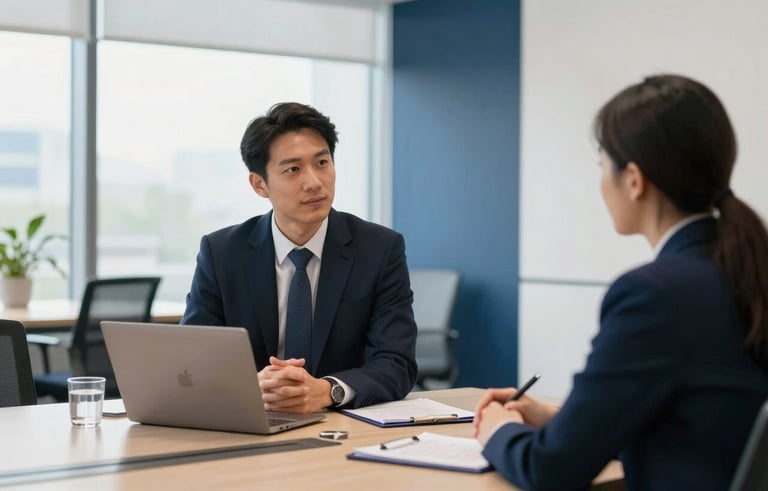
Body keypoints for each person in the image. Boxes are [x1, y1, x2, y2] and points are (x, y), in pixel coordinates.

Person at [474, 75, 768, 490]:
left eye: (602, 167)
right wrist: (558, 420)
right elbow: (700, 428)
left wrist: (497, 430)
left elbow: (549, 470)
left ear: (633, 179)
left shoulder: (656, 294)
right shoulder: (744, 269)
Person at [181, 102, 417, 414]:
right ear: (259, 184)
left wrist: (328, 390)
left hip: (341, 427)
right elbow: (193, 361)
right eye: (293, 169)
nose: (314, 181)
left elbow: (397, 362)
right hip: (250, 424)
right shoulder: (221, 252)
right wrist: (252, 386)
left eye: (322, 162)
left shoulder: (379, 249)